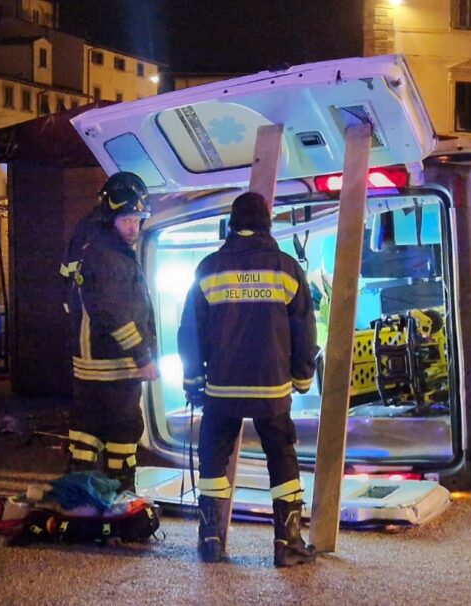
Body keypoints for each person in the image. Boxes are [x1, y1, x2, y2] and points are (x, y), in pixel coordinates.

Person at [177, 191, 318, 567]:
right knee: (281, 455)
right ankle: (287, 543)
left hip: (222, 387)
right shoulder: (286, 268)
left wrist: (192, 380)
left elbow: (190, 331)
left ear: (231, 224)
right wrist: (302, 376)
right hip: (272, 386)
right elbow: (305, 329)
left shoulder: (209, 269)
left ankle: (211, 540)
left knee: (213, 455)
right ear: (266, 224)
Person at [65, 171, 160, 492]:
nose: (133, 227)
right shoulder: (109, 256)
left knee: (85, 435)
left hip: (89, 364)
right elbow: (114, 312)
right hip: (116, 367)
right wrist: (142, 356)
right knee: (123, 433)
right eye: (126, 220)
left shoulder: (91, 245)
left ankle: (79, 500)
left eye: (137, 220)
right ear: (111, 218)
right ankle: (121, 499)